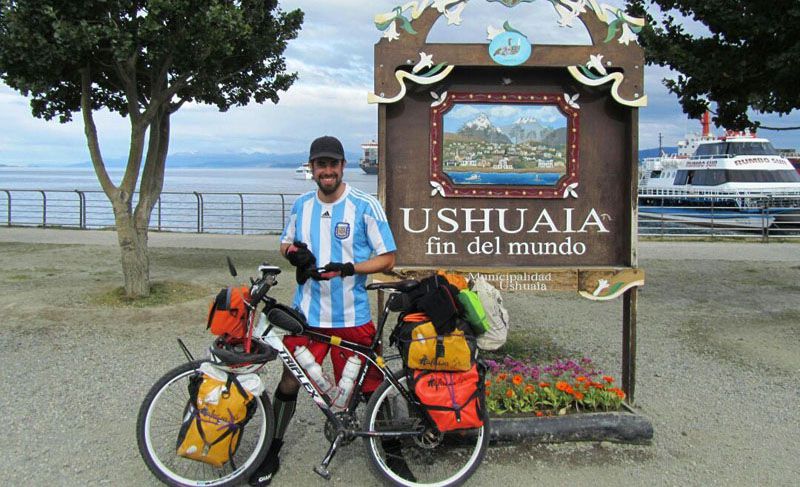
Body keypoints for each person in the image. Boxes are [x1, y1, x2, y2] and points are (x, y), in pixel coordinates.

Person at [250, 135, 396, 486]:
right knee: (290, 381)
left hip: (352, 315)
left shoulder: (365, 204)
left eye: (333, 164)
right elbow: (285, 242)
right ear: (312, 168)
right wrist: (293, 255)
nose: (327, 170)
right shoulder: (301, 205)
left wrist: (350, 268)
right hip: (308, 316)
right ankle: (272, 449)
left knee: (371, 385)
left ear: (342, 167)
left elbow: (388, 257)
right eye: (320, 164)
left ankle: (393, 454)